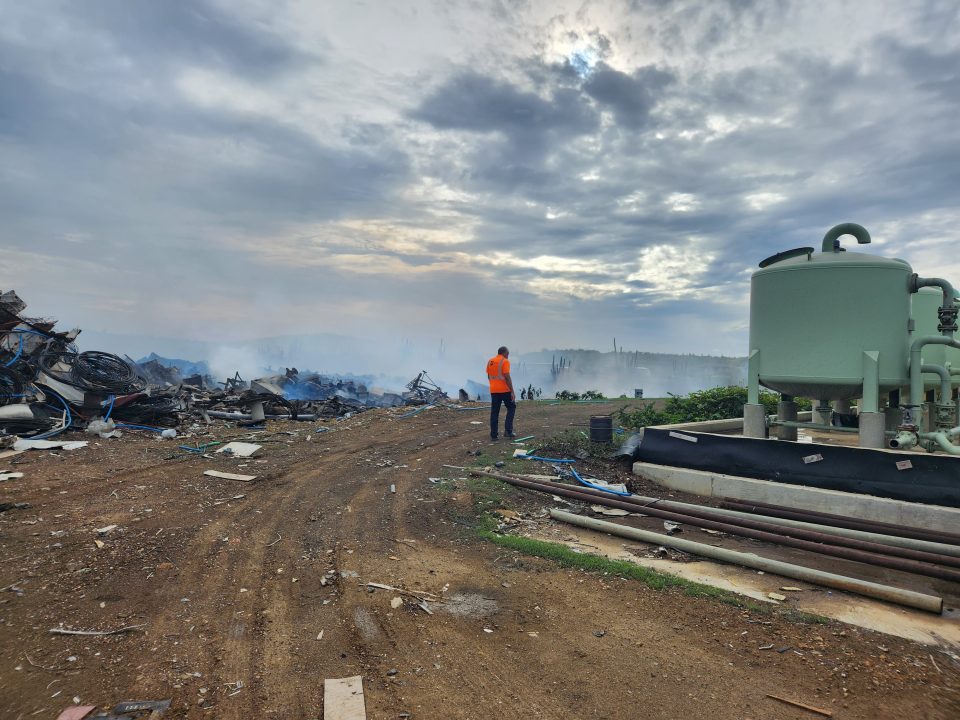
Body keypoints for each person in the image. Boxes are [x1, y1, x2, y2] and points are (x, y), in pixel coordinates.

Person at [486, 345, 516, 440]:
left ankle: (494, 436)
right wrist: (512, 391)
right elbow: (507, 376)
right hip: (505, 390)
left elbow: (489, 376)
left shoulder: (490, 361)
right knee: (511, 407)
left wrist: (493, 385)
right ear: (504, 353)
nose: (508, 355)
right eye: (508, 354)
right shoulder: (505, 361)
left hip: (494, 391)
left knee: (494, 412)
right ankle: (508, 431)